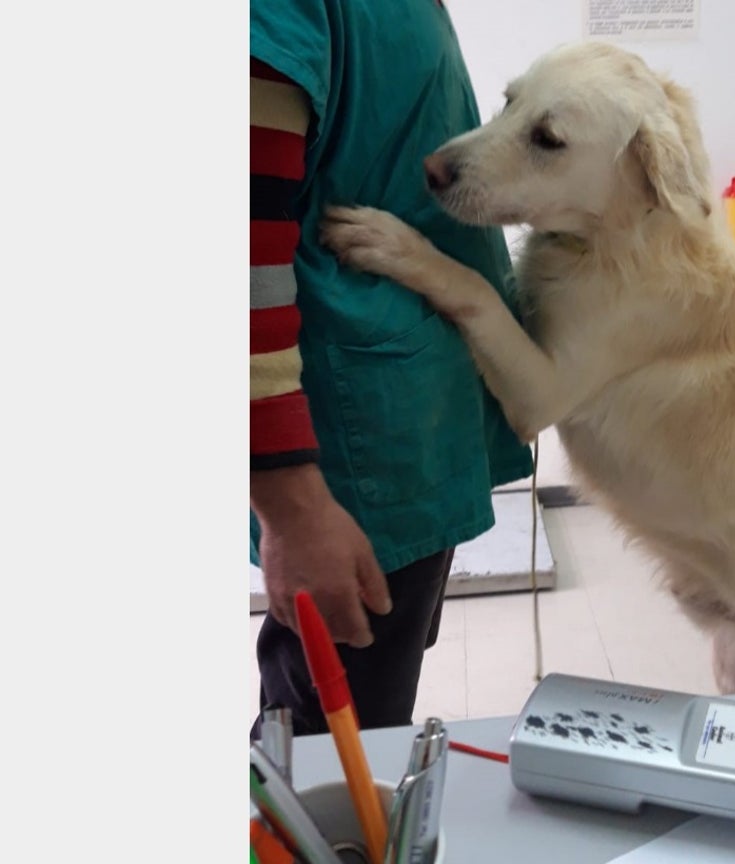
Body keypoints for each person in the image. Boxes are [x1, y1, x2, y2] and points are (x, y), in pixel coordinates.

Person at [250, 0, 533, 738]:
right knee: (324, 751)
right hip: (350, 461)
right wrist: (293, 505)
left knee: (376, 704)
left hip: (410, 436)